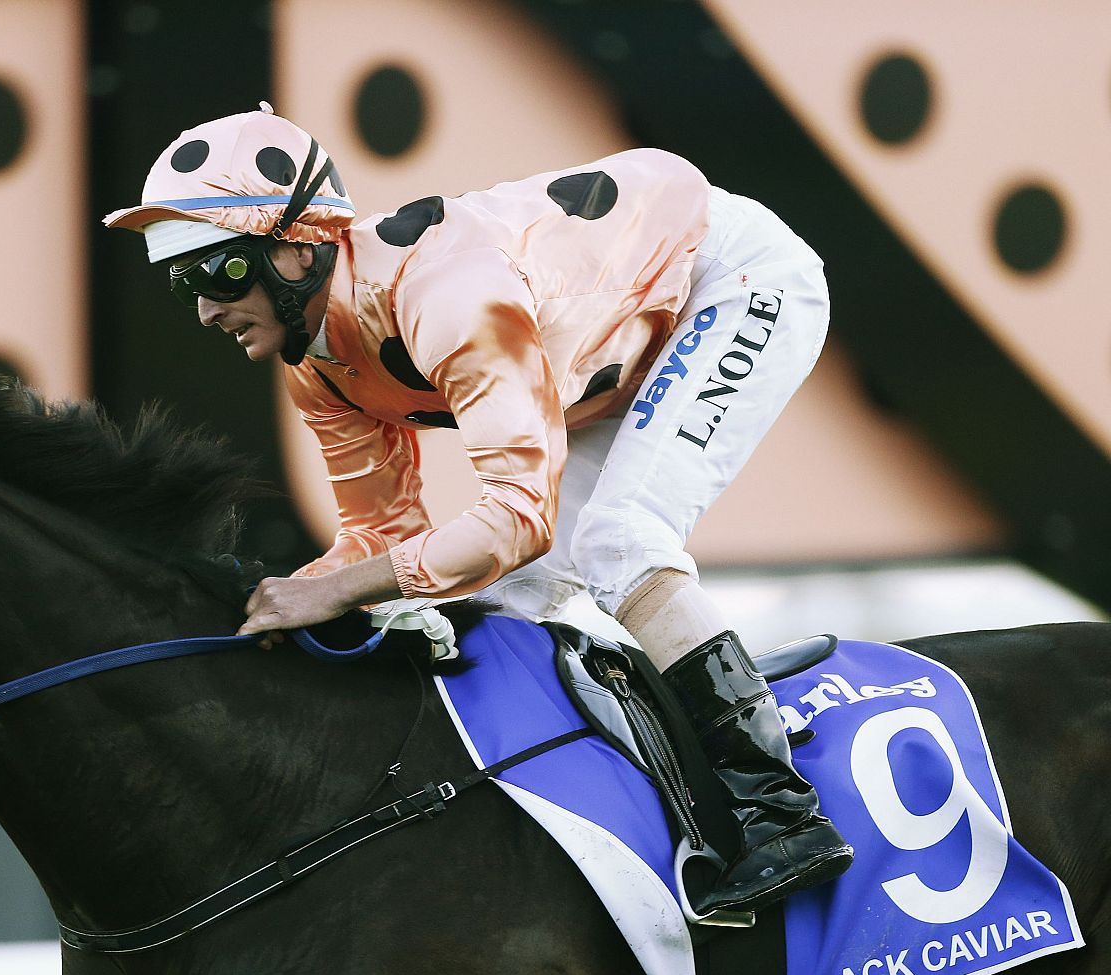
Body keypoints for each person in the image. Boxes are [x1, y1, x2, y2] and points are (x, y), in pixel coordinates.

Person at [104, 103, 850, 915]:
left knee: (621, 540)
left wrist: (334, 590)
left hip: (730, 280)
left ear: (297, 248)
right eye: (184, 284)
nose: (206, 310)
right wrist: (260, 610)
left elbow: (519, 517)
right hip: (620, 345)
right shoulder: (312, 366)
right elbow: (380, 537)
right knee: (504, 605)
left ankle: (778, 808)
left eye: (218, 272)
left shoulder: (444, 295)